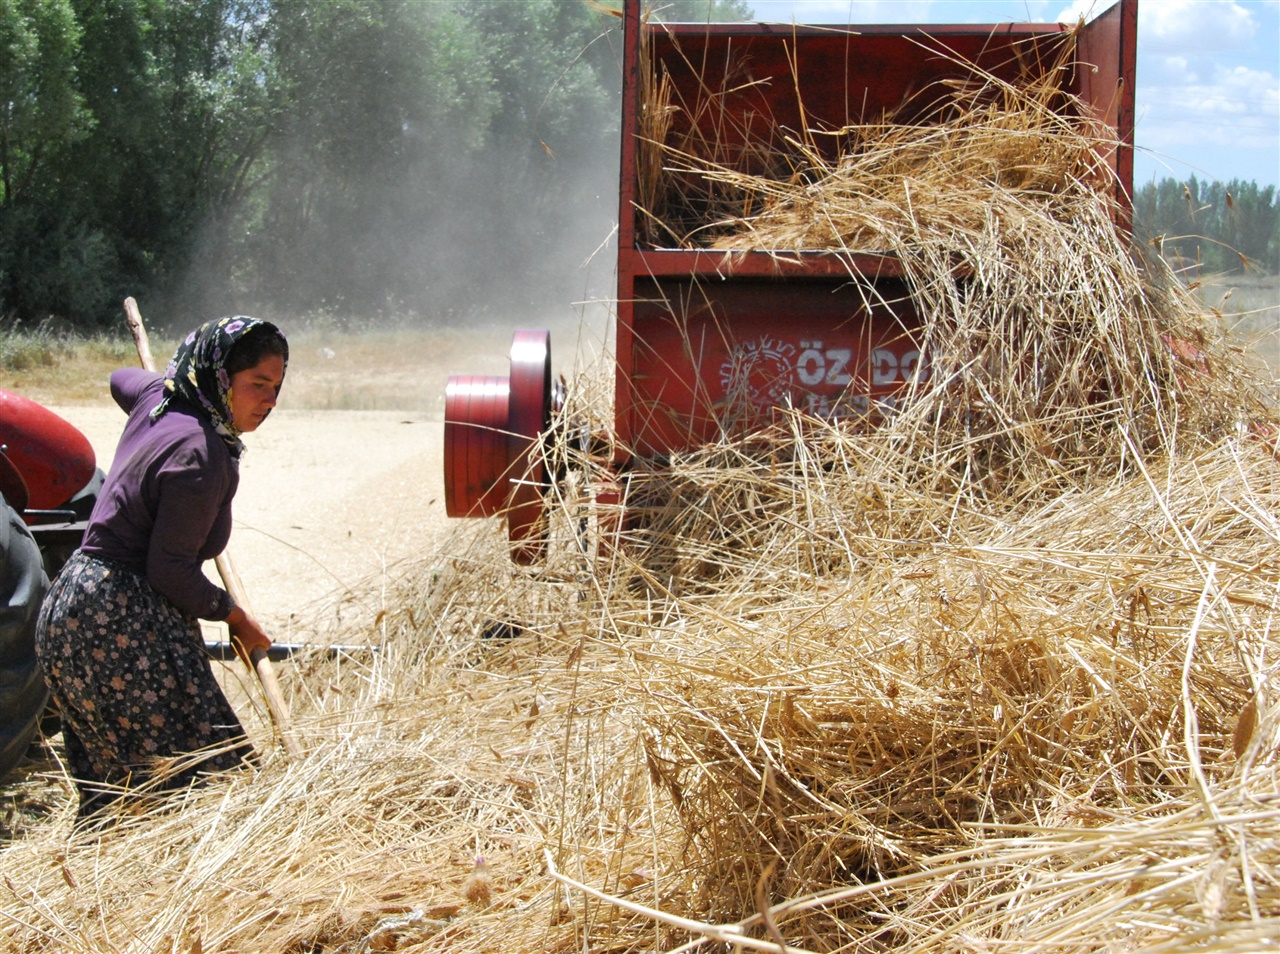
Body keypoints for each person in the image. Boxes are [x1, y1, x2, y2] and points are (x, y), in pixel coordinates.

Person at [35, 316, 288, 824]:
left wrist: (167, 382)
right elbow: (169, 570)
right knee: (199, 791)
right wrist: (233, 616)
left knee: (119, 796)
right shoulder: (201, 454)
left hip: (69, 610)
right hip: (123, 623)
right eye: (257, 384)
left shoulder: (162, 399)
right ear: (221, 378)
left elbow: (119, 379)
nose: (269, 401)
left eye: (277, 387)